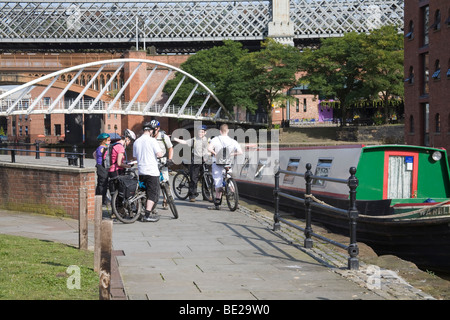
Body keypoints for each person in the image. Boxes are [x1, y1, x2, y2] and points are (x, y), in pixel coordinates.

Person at [133, 122, 164, 222]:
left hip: (141, 171)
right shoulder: (152, 141)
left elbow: (134, 157)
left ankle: (140, 211)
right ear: (151, 131)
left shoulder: (136, 142)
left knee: (143, 192)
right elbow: (159, 154)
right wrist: (163, 154)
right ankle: (147, 215)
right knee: (152, 193)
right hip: (152, 171)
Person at [207, 124, 243, 210]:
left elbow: (209, 148)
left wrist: (215, 153)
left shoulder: (215, 139)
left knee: (218, 181)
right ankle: (235, 200)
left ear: (220, 131)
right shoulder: (233, 141)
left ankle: (217, 203)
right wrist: (232, 154)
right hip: (228, 163)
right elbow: (240, 152)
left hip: (217, 163)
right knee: (229, 178)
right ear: (228, 131)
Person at [173, 125, 210, 202]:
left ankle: (206, 195)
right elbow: (185, 142)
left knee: (206, 178)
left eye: (202, 132)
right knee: (194, 179)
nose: (200, 133)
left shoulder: (208, 140)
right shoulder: (194, 140)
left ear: (205, 133)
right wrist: (176, 139)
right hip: (196, 160)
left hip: (204, 161)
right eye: (199, 131)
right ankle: (192, 195)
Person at [148, 119, 174, 209]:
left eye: (154, 129)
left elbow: (170, 148)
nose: (152, 131)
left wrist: (170, 159)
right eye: (151, 129)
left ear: (158, 128)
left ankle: (166, 198)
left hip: (162, 161)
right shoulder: (149, 137)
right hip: (152, 162)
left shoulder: (164, 137)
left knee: (165, 180)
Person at [107, 129, 136, 194]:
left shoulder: (115, 144)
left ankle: (114, 202)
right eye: (130, 141)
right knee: (120, 191)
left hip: (111, 169)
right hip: (116, 170)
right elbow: (119, 163)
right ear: (126, 138)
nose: (129, 143)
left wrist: (126, 162)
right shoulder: (120, 147)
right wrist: (128, 166)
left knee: (114, 191)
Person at [94, 133, 111, 205]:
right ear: (104, 141)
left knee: (100, 183)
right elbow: (107, 158)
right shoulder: (103, 149)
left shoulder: (98, 148)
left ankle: (98, 198)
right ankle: (102, 200)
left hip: (99, 166)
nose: (110, 141)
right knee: (103, 184)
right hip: (103, 168)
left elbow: (94, 154)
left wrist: (97, 160)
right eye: (108, 140)